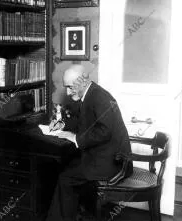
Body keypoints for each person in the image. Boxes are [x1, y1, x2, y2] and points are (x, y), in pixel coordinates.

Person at [46, 64, 133, 221]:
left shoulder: (99, 97)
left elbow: (105, 130)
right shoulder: (89, 94)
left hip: (114, 162)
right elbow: (82, 121)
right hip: (105, 156)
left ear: (83, 82)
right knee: (67, 168)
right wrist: (62, 125)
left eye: (70, 87)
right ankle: (78, 215)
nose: (67, 92)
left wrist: (76, 138)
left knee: (65, 178)